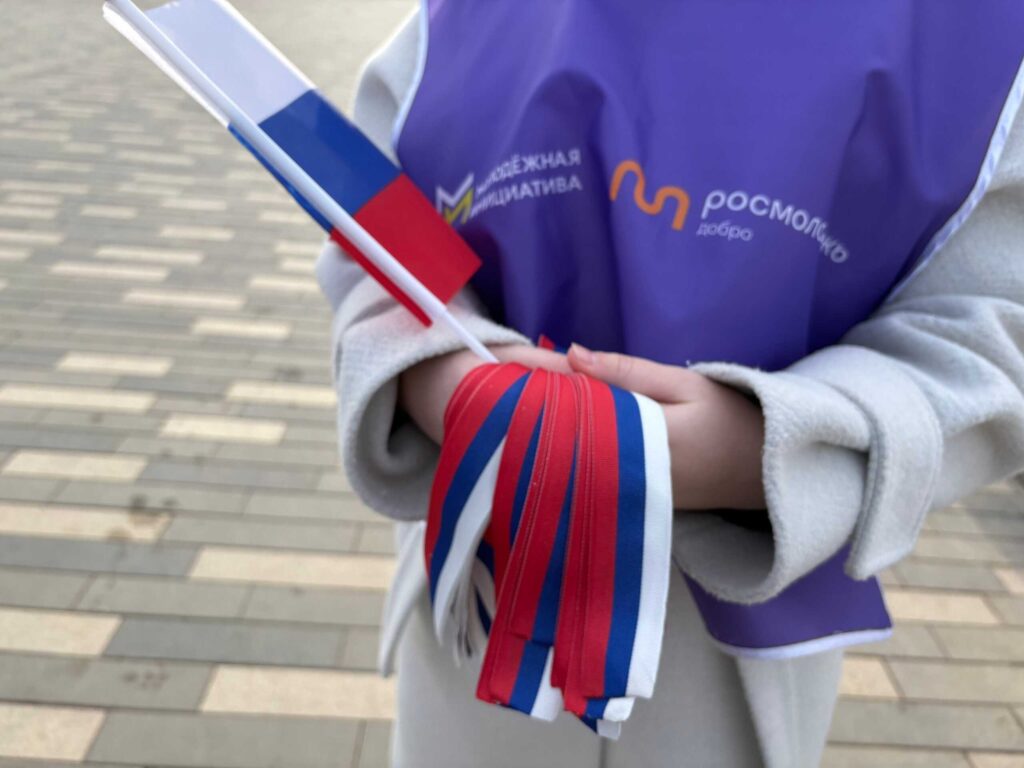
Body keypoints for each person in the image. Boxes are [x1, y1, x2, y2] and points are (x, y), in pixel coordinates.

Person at [316, 3, 1024, 766]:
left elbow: (990, 326)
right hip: (474, 586)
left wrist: (772, 443)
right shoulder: (459, 17)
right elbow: (375, 218)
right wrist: (437, 367)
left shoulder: (975, 33)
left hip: (736, 648)